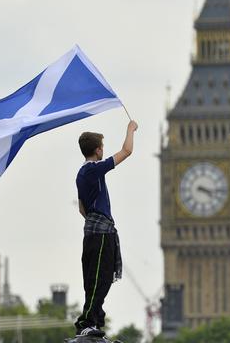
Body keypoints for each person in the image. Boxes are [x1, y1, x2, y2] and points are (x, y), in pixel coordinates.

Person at [74, 120, 138, 339]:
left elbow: (82, 209)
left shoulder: (81, 174)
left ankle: (95, 318)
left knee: (96, 279)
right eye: (102, 146)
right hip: (101, 233)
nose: (104, 150)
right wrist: (130, 129)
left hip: (92, 231)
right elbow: (127, 151)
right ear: (98, 150)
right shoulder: (94, 169)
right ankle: (86, 322)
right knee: (100, 279)